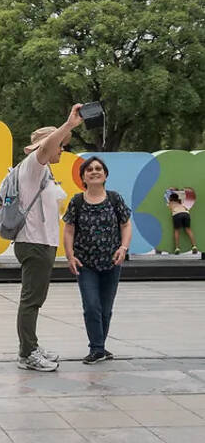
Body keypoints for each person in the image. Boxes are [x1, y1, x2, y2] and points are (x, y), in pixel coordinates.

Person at [14, 104, 84, 372]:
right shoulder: (33, 165)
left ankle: (31, 346)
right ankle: (27, 353)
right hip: (34, 243)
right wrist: (68, 125)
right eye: (60, 145)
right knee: (31, 300)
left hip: (41, 243)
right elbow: (45, 148)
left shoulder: (42, 171)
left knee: (35, 299)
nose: (62, 150)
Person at [63, 156, 132, 364]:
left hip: (112, 262)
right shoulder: (76, 201)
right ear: (83, 176)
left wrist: (123, 247)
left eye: (98, 169)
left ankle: (99, 346)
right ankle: (97, 348)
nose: (94, 171)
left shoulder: (114, 199)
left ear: (105, 174)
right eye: (90, 169)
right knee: (92, 306)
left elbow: (126, 225)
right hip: (85, 263)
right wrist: (70, 255)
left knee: (105, 307)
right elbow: (69, 230)